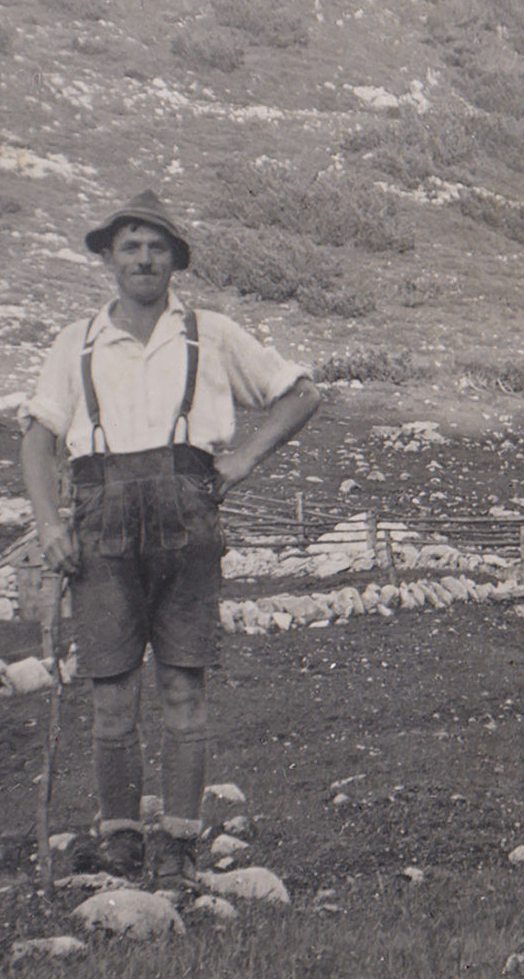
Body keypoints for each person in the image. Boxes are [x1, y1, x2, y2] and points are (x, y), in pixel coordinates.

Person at [20, 189, 320, 883]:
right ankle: (121, 843)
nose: (144, 258)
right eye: (130, 245)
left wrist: (243, 459)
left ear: (175, 261)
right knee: (111, 695)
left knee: (184, 686)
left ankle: (180, 845)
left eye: (157, 246)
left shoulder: (209, 333)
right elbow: (38, 441)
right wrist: (47, 522)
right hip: (101, 528)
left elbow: (301, 392)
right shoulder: (78, 341)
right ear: (109, 258)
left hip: (188, 523)